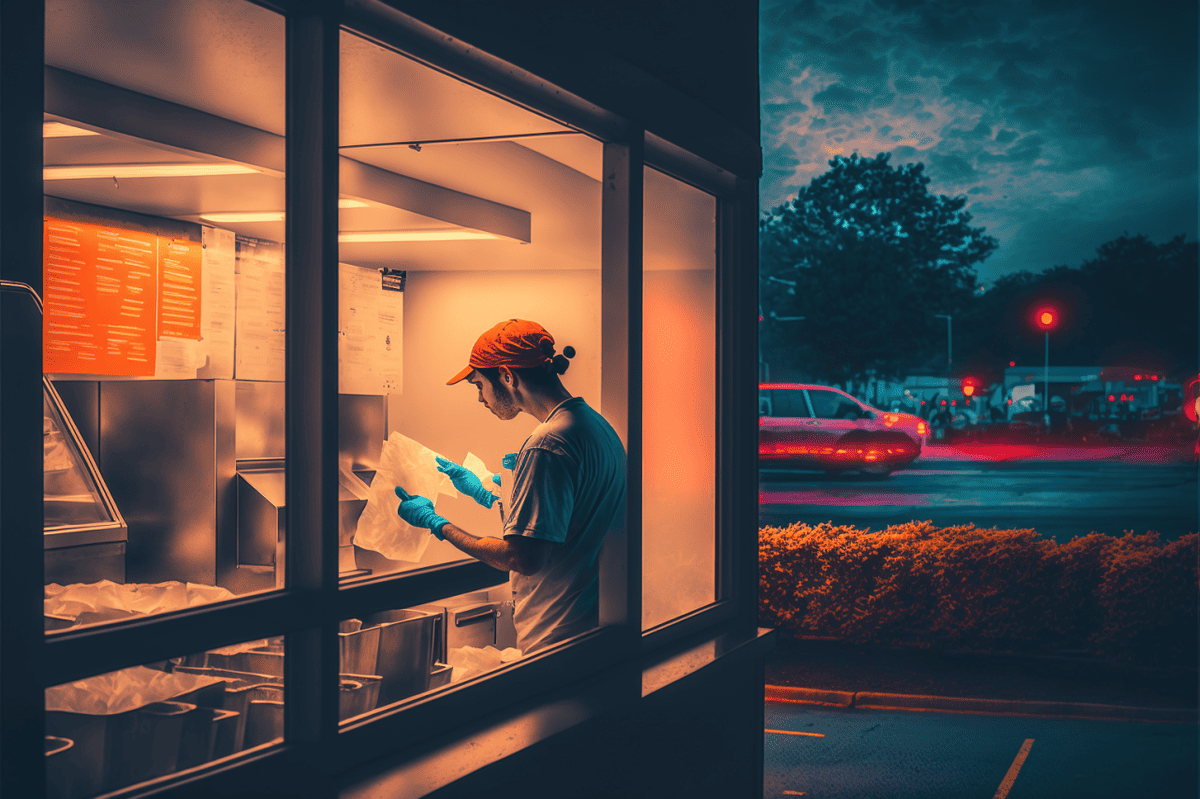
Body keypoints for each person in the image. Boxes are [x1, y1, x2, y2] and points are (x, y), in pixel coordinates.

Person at [393, 319, 627, 654]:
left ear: (507, 376)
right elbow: (566, 516)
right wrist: (489, 494)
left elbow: (522, 557)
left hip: (557, 636)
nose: (480, 398)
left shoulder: (546, 444)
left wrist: (438, 524)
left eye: (478, 385)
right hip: (589, 630)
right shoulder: (592, 425)